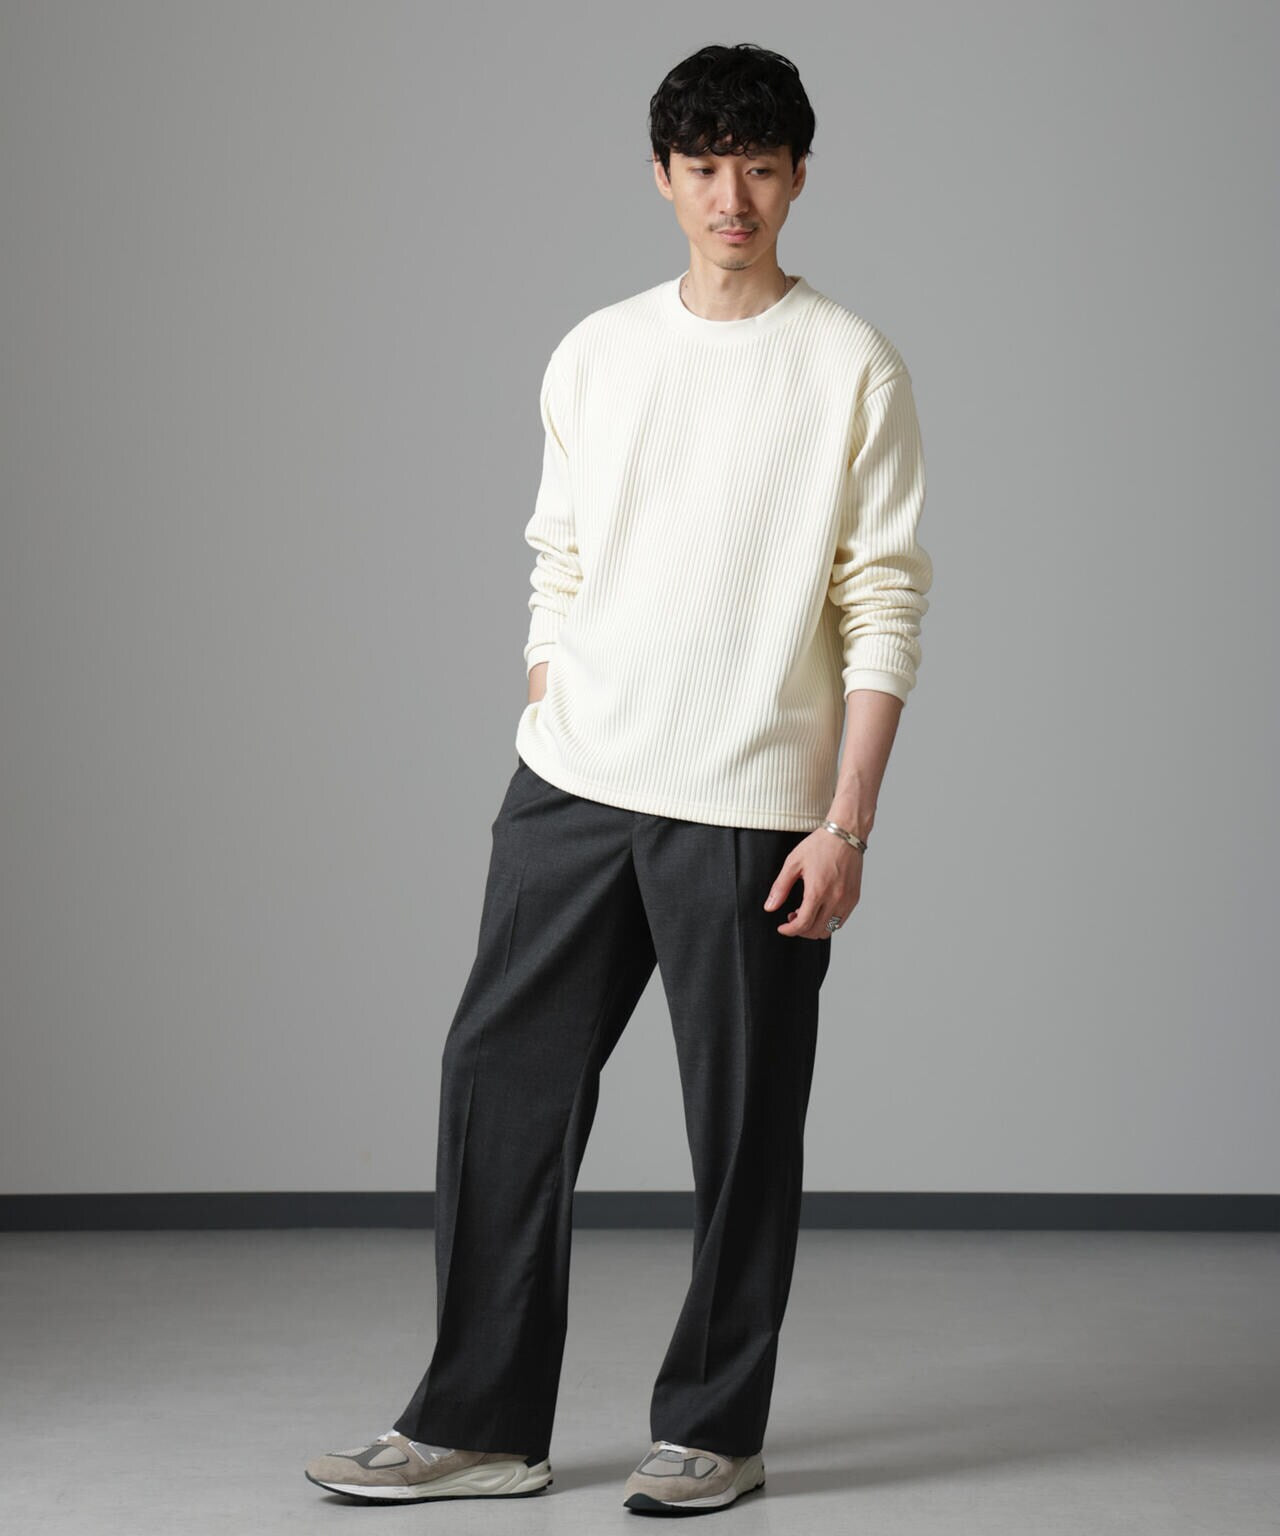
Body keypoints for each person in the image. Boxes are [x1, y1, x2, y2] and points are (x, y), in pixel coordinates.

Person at [305, 40, 932, 1516]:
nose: (733, 198)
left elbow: (883, 601)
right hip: (574, 787)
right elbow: (562, 553)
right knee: (498, 1087)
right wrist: (551, 687)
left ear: (799, 177)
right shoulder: (595, 351)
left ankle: (715, 1428)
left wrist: (847, 822)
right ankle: (480, 1424)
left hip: (754, 809)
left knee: (743, 1127)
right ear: (661, 175)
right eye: (705, 167)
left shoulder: (851, 364)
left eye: (760, 167)